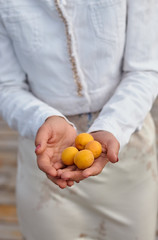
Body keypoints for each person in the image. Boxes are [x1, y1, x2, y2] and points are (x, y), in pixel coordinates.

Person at [0, 0, 158, 239]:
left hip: (128, 150)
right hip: (48, 156)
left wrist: (111, 126)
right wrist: (44, 118)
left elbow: (145, 70)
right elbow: (6, 86)